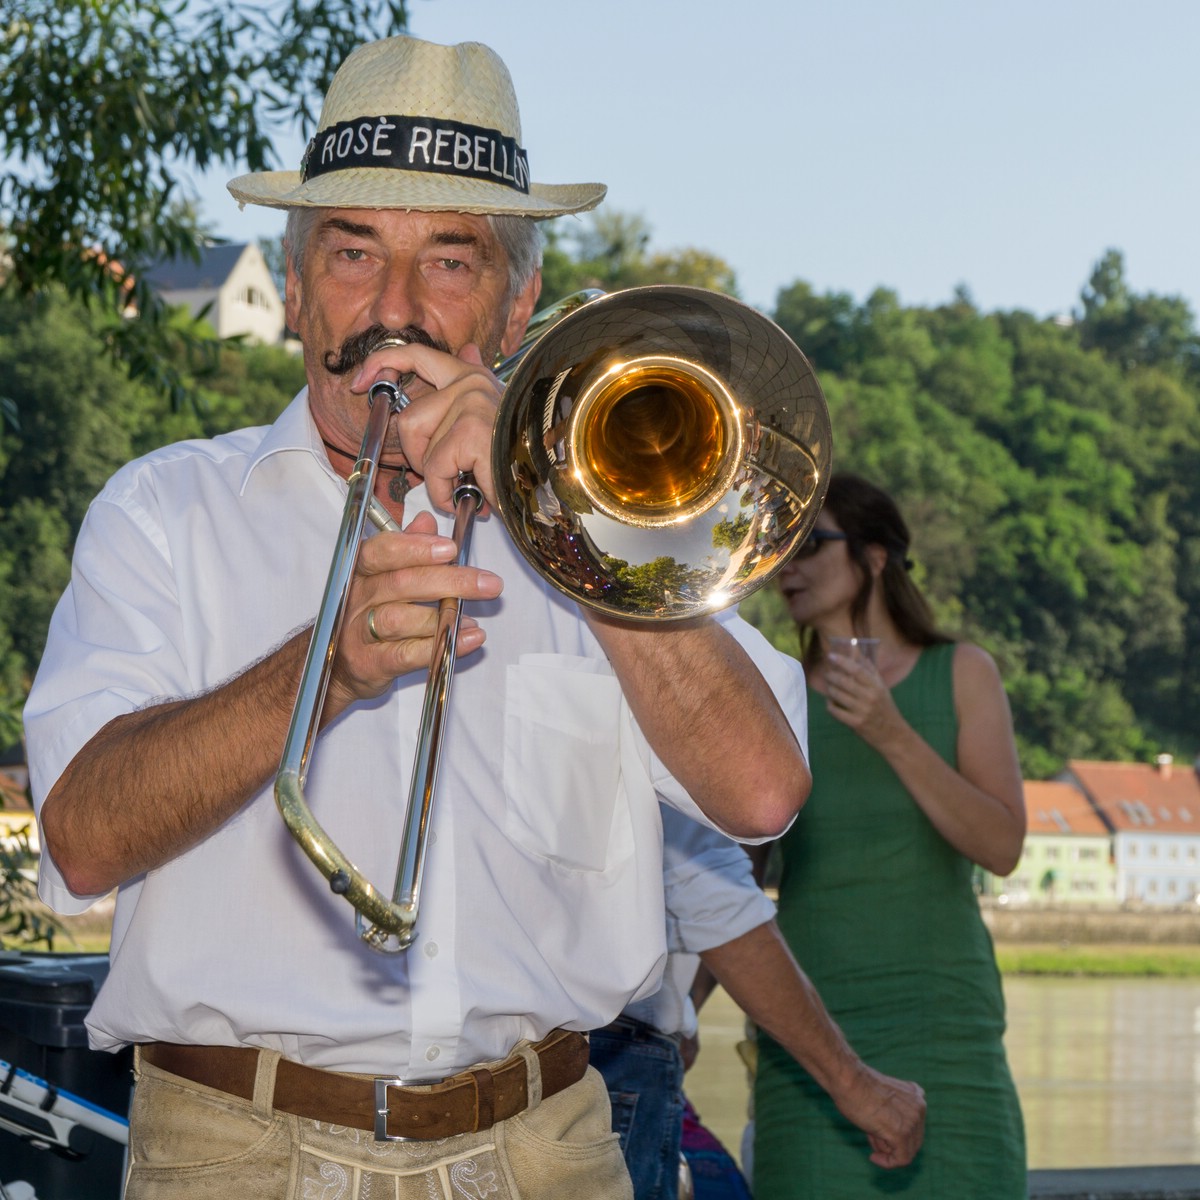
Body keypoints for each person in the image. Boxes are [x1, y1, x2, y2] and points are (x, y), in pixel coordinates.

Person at [22, 35, 812, 1200]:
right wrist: (323, 668)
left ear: (519, 302)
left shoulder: (613, 533)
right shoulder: (164, 510)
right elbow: (81, 836)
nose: (394, 309)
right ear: (292, 287)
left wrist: (568, 530)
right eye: (352, 252)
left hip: (549, 1149)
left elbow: (763, 792)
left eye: (451, 259)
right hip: (235, 1155)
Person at [751, 472, 1027, 1198]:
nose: (789, 566)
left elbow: (1001, 847)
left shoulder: (962, 673)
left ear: (874, 556)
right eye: (780, 547)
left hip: (947, 1037)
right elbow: (732, 887)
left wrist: (890, 733)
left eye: (810, 543)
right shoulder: (772, 694)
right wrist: (681, 1015)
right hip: (808, 1049)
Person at [591, 805, 926, 1200]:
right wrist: (855, 1084)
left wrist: (685, 1009)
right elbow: (708, 894)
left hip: (541, 1057)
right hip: (614, 1062)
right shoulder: (660, 749)